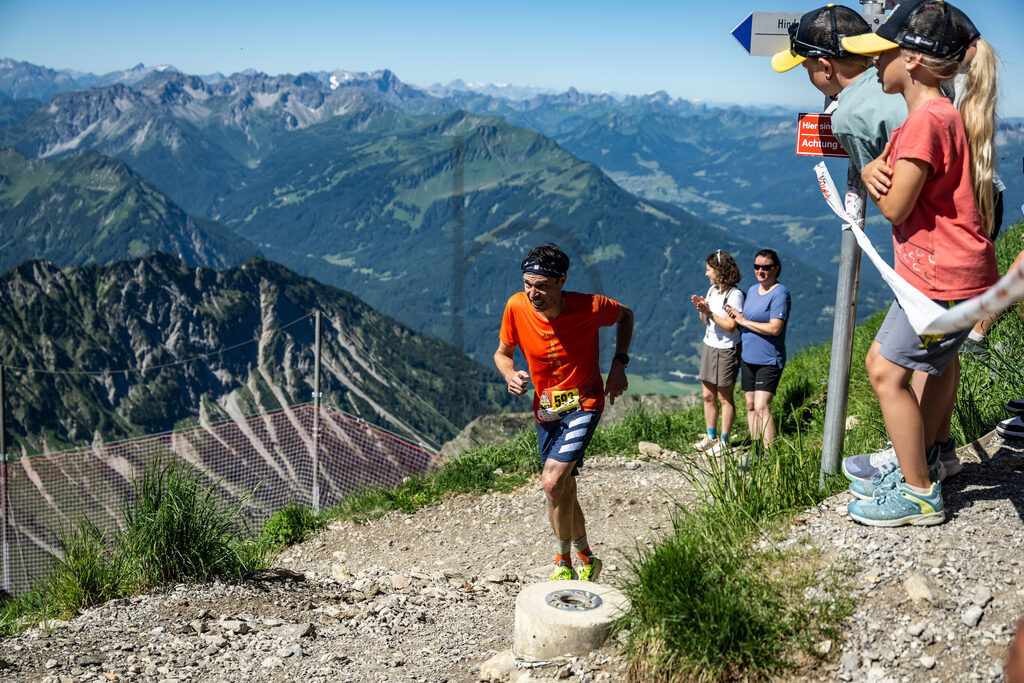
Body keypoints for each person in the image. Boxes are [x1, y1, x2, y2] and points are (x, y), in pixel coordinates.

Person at [771, 3, 961, 483]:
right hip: (973, 224)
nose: (808, 76)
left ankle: (916, 469)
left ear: (826, 68)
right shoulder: (915, 87)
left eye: (807, 68)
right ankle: (939, 450)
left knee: (902, 360)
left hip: (931, 251)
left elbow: (890, 195)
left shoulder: (850, 114)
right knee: (941, 354)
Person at [841, 0, 999, 526]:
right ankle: (926, 462)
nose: (871, 65)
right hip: (958, 276)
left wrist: (868, 171)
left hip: (938, 279)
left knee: (885, 372)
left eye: (879, 54)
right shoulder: (943, 113)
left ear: (910, 59)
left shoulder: (924, 121)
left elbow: (895, 205)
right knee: (927, 366)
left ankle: (918, 493)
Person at [494, 243, 633, 581]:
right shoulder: (516, 306)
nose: (532, 293)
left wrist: (619, 363)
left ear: (561, 282)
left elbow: (626, 315)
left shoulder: (590, 307)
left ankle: (562, 563)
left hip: (584, 402)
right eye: (528, 284)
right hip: (546, 410)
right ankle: (586, 559)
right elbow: (502, 353)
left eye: (541, 285)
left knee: (552, 482)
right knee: (563, 488)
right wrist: (510, 374)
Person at [725, 249, 790, 447]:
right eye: (757, 266)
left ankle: (771, 453)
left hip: (769, 358)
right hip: (748, 357)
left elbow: (775, 328)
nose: (761, 270)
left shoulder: (780, 293)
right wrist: (736, 315)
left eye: (766, 267)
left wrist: (743, 321)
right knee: (751, 406)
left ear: (776, 268)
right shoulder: (752, 290)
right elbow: (747, 319)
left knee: (762, 406)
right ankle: (756, 449)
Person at [690, 250, 744, 455]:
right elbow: (707, 321)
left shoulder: (735, 295)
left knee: (724, 397)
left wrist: (710, 313)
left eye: (709, 270)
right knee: (707, 395)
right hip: (710, 344)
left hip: (727, 349)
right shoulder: (713, 291)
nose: (706, 274)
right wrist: (703, 311)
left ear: (719, 270)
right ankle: (710, 436)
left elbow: (731, 325)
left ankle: (724, 440)